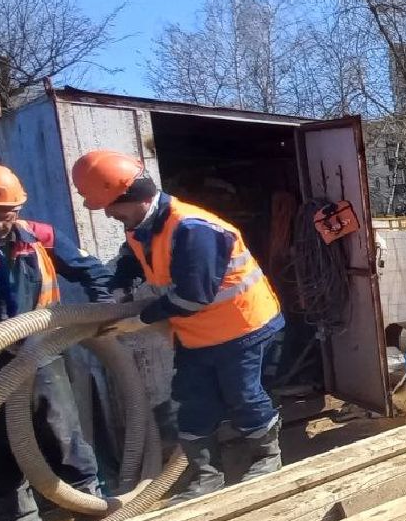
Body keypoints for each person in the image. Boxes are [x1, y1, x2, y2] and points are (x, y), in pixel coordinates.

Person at [70, 151, 285, 497]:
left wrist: (138, 320)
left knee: (243, 396)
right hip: (197, 334)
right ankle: (207, 475)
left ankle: (266, 458)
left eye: (111, 206)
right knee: (191, 402)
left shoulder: (193, 229)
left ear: (133, 197)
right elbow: (132, 263)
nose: (109, 214)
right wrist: (115, 292)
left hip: (243, 328)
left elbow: (194, 296)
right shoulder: (140, 227)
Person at [0, 165, 114, 521]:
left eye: (9, 211)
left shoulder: (40, 236)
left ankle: (87, 506)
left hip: (40, 349)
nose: (4, 220)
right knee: (0, 441)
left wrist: (104, 311)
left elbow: (89, 270)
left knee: (61, 429)